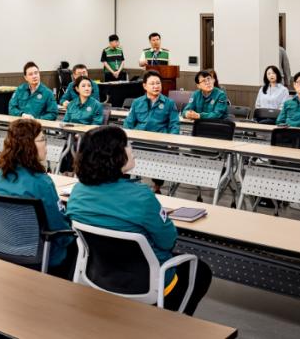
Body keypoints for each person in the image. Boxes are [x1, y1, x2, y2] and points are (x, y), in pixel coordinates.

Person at [66, 126, 211, 315]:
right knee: (201, 271)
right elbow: (168, 241)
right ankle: (172, 323)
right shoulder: (142, 197)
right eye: (127, 145)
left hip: (99, 276)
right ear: (114, 155)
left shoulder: (78, 193)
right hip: (148, 284)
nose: (132, 149)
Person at [0, 119, 76, 278]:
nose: (46, 144)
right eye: (42, 140)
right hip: (39, 256)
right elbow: (59, 229)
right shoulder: (42, 183)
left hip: (0, 247)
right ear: (28, 145)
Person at [123, 71, 179, 193]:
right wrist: (125, 137)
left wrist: (172, 140)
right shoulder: (137, 102)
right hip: (139, 140)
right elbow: (128, 122)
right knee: (123, 153)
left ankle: (157, 187)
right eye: (152, 84)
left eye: (158, 83)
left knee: (162, 156)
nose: (156, 86)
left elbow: (174, 124)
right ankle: (124, 186)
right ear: (145, 86)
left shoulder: (169, 103)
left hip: (158, 142)